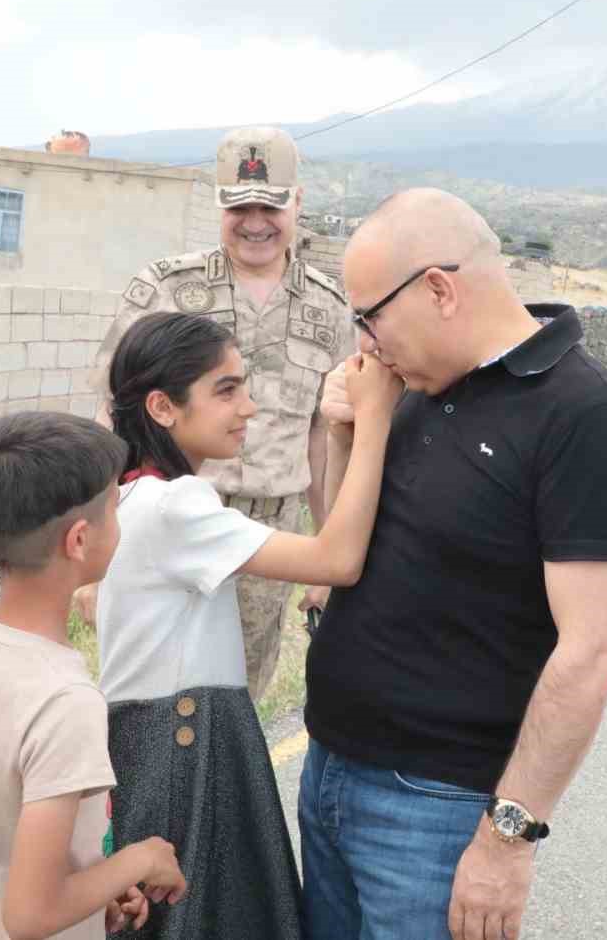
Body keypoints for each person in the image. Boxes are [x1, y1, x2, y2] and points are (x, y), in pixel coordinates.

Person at [300, 189, 607, 940]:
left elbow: (593, 651)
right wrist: (345, 433)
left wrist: (507, 842)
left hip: (433, 804)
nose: (365, 340)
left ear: (438, 289)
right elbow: (344, 549)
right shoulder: (413, 384)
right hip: (330, 764)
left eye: (370, 315)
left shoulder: (586, 421)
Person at [97, 311, 400, 939]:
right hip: (186, 741)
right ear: (162, 406)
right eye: (226, 389)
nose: (250, 408)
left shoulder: (128, 496)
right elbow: (337, 561)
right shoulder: (175, 504)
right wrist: (375, 421)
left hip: (156, 741)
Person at [79, 126, 354, 703]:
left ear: (297, 203)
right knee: (147, 697)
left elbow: (324, 441)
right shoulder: (164, 288)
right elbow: (109, 416)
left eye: (270, 206)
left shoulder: (330, 309)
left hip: (269, 528)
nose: (255, 221)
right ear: (218, 206)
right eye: (239, 207)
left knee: (238, 698)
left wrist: (323, 560)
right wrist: (92, 553)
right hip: (165, 520)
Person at [0, 413, 187, 940]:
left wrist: (96, 886)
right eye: (114, 506)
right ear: (79, 540)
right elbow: (31, 916)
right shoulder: (66, 701)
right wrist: (139, 860)